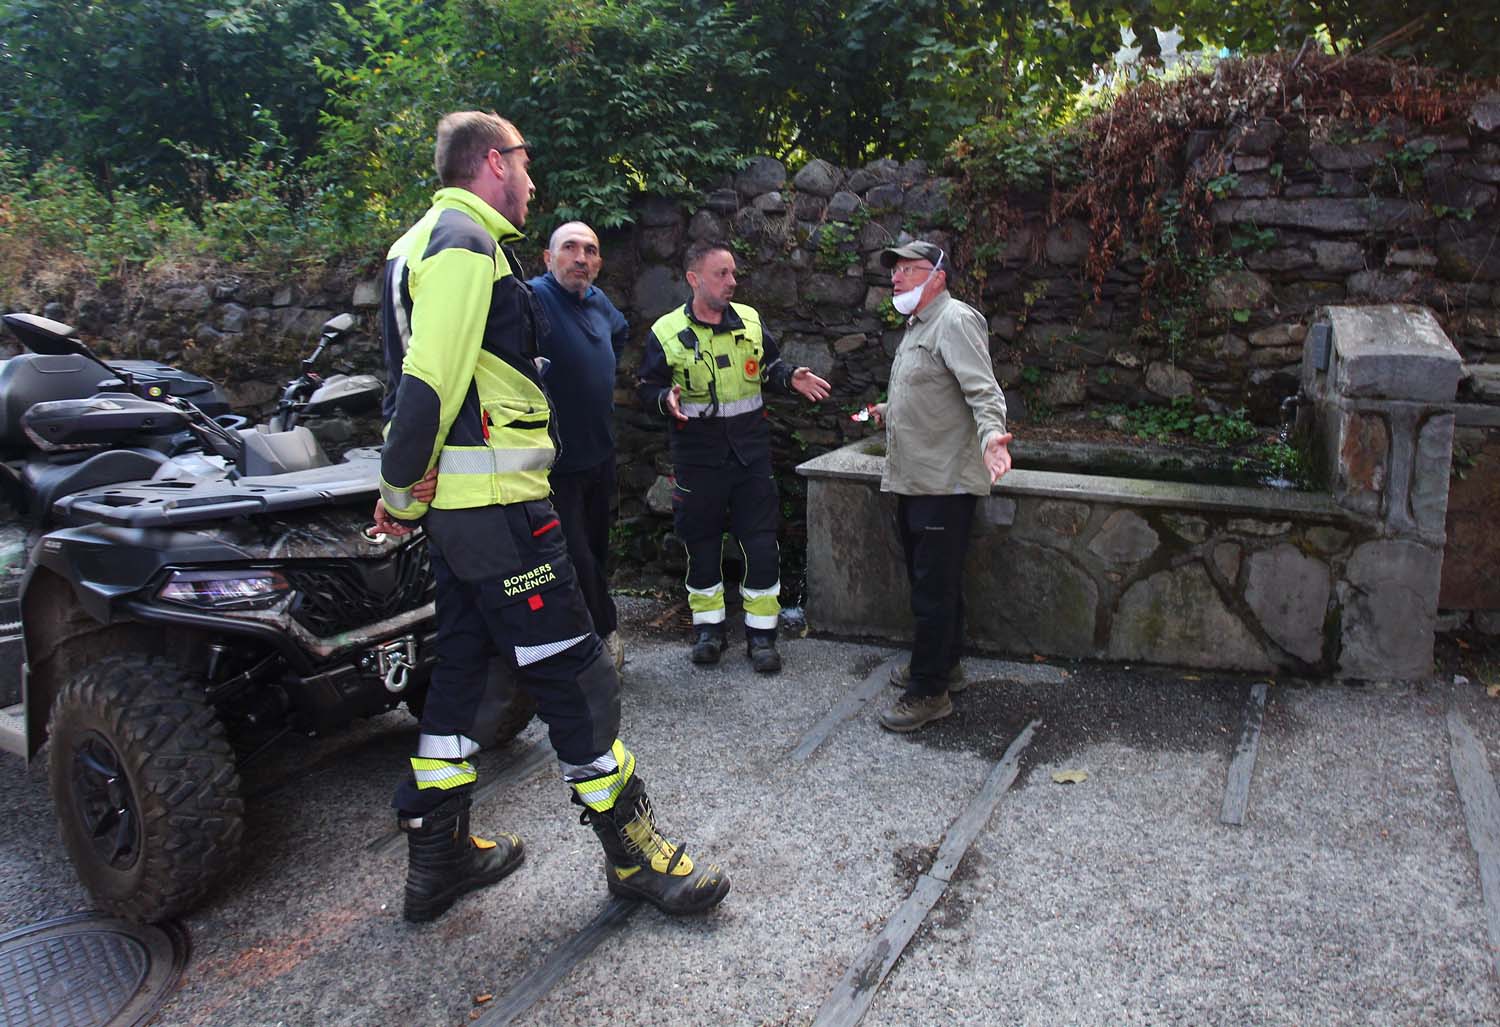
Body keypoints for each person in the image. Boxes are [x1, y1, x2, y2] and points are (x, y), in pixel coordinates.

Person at [371, 111, 729, 922]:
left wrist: (411, 490)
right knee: (573, 670)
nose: (532, 181)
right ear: (495, 162)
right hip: (498, 510)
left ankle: (439, 855)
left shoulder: (416, 242)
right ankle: (637, 855)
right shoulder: (464, 244)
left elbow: (412, 379)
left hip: (462, 516)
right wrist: (397, 493)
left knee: (459, 675)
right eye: (526, 163)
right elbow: (427, 385)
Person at [637, 241, 830, 673]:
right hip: (698, 460)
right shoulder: (666, 332)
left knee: (760, 545)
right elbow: (646, 387)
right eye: (721, 274)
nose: (732, 282)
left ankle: (762, 637)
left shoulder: (750, 321)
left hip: (750, 459)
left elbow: (768, 367)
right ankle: (709, 631)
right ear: (694, 279)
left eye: (733, 274)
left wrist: (788, 377)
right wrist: (661, 399)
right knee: (701, 546)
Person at [873, 241, 1013, 733]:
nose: (896, 279)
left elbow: (983, 391)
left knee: (932, 589)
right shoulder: (919, 327)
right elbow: (933, 394)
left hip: (943, 483)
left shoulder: (955, 321)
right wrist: (887, 413)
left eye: (907, 270)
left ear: (937, 276)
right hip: (918, 477)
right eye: (895, 271)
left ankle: (928, 692)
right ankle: (945, 665)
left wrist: (993, 438)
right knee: (933, 581)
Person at [528, 222, 629, 673]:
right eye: (570, 248)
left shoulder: (598, 302)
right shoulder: (533, 298)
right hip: (556, 460)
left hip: (599, 452)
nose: (581, 258)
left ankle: (590, 632)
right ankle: (601, 637)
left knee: (597, 548)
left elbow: (620, 335)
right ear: (548, 258)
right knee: (574, 554)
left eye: (590, 251)